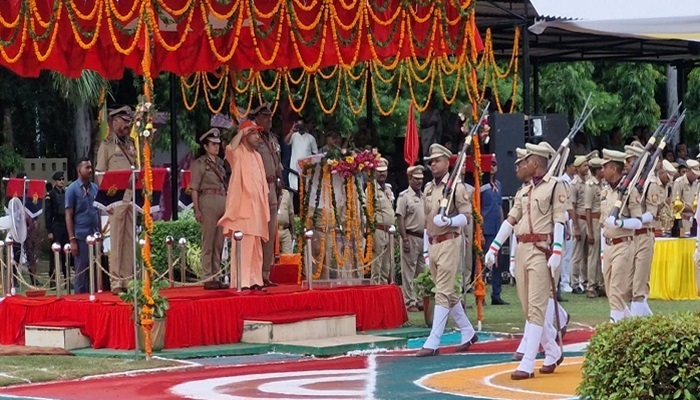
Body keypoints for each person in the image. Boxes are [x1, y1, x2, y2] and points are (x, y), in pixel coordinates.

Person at [485, 142, 566, 380]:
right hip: (522, 249)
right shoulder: (524, 191)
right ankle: (552, 351)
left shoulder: (554, 186)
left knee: (537, 308)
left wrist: (558, 250)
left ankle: (528, 363)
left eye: (526, 160)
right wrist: (494, 247)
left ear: (536, 163)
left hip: (541, 251)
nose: (522, 165)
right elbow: (510, 221)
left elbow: (559, 220)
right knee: (527, 308)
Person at [416, 144, 477, 357]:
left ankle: (433, 342)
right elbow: (426, 221)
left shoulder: (457, 188)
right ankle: (468, 331)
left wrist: (449, 219)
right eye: (430, 162)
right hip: (433, 243)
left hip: (450, 241)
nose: (432, 164)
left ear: (446, 161)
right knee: (447, 292)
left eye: (436, 161)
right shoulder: (429, 189)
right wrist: (425, 249)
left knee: (441, 291)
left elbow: (466, 216)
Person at [218, 120, 270, 290]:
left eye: (257, 134)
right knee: (244, 245)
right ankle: (242, 281)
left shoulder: (257, 156)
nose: (257, 138)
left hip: (257, 208)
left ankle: (255, 280)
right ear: (245, 136)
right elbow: (229, 149)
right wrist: (241, 132)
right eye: (254, 134)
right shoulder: (238, 153)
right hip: (242, 209)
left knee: (255, 245)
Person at [95, 105, 136, 295]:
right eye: (123, 121)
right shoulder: (107, 145)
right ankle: (116, 281)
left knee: (129, 240)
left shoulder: (132, 144)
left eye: (128, 121)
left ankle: (128, 280)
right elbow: (100, 174)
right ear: (114, 122)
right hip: (115, 197)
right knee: (117, 241)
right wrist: (106, 201)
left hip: (131, 196)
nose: (127, 125)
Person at [599, 149, 638, 322]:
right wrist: (602, 250)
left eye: (604, 167)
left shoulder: (630, 191)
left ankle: (613, 326)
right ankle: (630, 323)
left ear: (613, 169)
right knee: (610, 290)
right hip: (608, 245)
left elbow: (638, 221)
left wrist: (620, 223)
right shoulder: (605, 192)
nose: (602, 171)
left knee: (616, 288)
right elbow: (602, 224)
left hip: (623, 244)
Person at [623, 144, 661, 317]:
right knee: (627, 286)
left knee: (639, 285)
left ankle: (637, 322)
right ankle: (647, 320)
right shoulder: (629, 183)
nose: (626, 165)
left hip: (644, 236)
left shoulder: (650, 183)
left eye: (629, 161)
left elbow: (652, 213)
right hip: (630, 237)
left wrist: (636, 221)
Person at [190, 128, 227, 290]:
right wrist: (197, 209)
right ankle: (207, 277)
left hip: (221, 200)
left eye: (218, 144)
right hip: (207, 201)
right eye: (213, 144)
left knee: (219, 242)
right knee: (208, 241)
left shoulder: (220, 163)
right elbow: (194, 189)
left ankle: (216, 276)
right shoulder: (199, 164)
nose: (216, 147)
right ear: (205, 146)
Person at [252, 103, 283, 287]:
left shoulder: (272, 138)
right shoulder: (253, 139)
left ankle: (265, 273)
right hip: (259, 187)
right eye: (265, 116)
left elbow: (277, 162)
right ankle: (254, 274)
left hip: (273, 186)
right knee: (258, 231)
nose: (269, 119)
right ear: (257, 118)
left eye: (270, 116)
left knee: (270, 232)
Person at [65, 158, 100, 295]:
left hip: (95, 235)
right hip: (80, 237)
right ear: (79, 170)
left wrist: (100, 234)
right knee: (81, 273)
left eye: (91, 167)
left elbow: (98, 211)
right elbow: (68, 215)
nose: (90, 170)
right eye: (87, 168)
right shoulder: (72, 189)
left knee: (96, 273)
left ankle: (95, 301)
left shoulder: (95, 188)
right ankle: (80, 302)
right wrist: (72, 239)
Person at [396, 165, 426, 311]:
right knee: (409, 271)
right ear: (409, 178)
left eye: (421, 179)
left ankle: (420, 299)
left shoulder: (424, 196)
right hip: (411, 235)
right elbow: (400, 218)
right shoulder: (404, 196)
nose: (419, 182)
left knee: (422, 271)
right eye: (416, 179)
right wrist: (404, 238)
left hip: (423, 237)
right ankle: (409, 301)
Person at [481, 156, 508, 305]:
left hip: (498, 228)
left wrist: (504, 226)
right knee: (485, 262)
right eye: (490, 164)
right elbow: (478, 209)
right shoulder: (482, 186)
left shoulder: (498, 184)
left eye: (494, 164)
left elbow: (499, 206)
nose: (492, 167)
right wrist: (479, 230)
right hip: (487, 228)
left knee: (498, 262)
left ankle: (496, 294)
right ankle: (482, 294)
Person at [370, 157, 396, 284]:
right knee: (377, 265)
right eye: (379, 171)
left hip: (389, 231)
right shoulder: (371, 189)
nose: (382, 173)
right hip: (378, 230)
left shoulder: (388, 189)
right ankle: (374, 292)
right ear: (374, 172)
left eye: (384, 171)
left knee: (387, 266)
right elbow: (367, 212)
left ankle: (384, 291)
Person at [570, 155, 591, 294]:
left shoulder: (588, 181)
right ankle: (574, 282)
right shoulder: (574, 184)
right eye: (584, 166)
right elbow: (571, 206)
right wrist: (576, 227)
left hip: (587, 219)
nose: (587, 168)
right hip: (579, 219)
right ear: (578, 168)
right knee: (577, 254)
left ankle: (585, 280)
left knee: (586, 253)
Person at [583, 157, 605, 298]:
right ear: (597, 170)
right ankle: (591, 286)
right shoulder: (590, 185)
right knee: (593, 255)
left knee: (602, 255)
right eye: (602, 168)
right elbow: (587, 209)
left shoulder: (602, 184)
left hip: (602, 222)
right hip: (595, 221)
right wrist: (589, 231)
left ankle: (601, 284)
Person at [45, 171, 69, 289]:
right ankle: (53, 281)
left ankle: (67, 279)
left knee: (66, 253)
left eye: (63, 179)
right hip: (56, 225)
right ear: (55, 181)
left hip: (65, 224)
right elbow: (48, 214)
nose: (62, 181)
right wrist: (49, 230)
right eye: (59, 179)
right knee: (54, 254)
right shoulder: (51, 194)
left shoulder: (65, 193)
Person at [284, 117, 318, 191]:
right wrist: (291, 131)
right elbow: (286, 142)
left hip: (306, 169)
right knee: (294, 191)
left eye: (301, 125)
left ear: (305, 125)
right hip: (294, 167)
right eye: (298, 125)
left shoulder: (311, 138)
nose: (300, 126)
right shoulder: (293, 135)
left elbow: (315, 154)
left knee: (305, 191)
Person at [670, 159, 700, 236]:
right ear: (688, 170)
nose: (696, 176)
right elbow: (674, 203)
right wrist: (692, 208)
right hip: (682, 220)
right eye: (694, 174)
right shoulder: (679, 182)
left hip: (694, 220)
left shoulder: (696, 184)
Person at [278, 188, 296, 254]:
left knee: (288, 258)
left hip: (285, 230)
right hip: (272, 231)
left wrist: (293, 233)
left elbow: (291, 214)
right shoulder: (267, 191)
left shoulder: (286, 193)